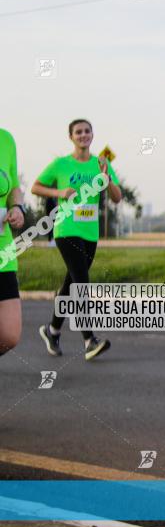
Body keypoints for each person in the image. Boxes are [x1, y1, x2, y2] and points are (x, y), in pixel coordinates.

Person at [32, 119, 122, 361]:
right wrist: (59, 192)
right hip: (66, 229)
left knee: (71, 283)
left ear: (92, 135)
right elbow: (35, 187)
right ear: (71, 137)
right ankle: (89, 340)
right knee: (82, 282)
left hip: (90, 232)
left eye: (87, 131)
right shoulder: (61, 164)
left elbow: (117, 198)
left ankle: (52, 330)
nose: (83, 135)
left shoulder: (101, 163)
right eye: (78, 132)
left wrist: (107, 178)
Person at [0, 128, 25, 358]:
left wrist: (16, 207)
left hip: (3, 252)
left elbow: (14, 185)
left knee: (9, 335)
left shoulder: (6, 139)